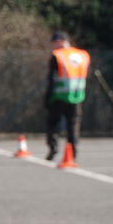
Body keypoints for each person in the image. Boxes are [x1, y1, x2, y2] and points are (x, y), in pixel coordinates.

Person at [44, 31, 90, 161]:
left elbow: (52, 78)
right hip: (77, 95)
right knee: (73, 124)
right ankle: (73, 151)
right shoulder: (82, 55)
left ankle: (53, 146)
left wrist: (47, 96)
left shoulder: (57, 56)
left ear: (58, 41)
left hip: (59, 95)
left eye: (53, 43)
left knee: (52, 121)